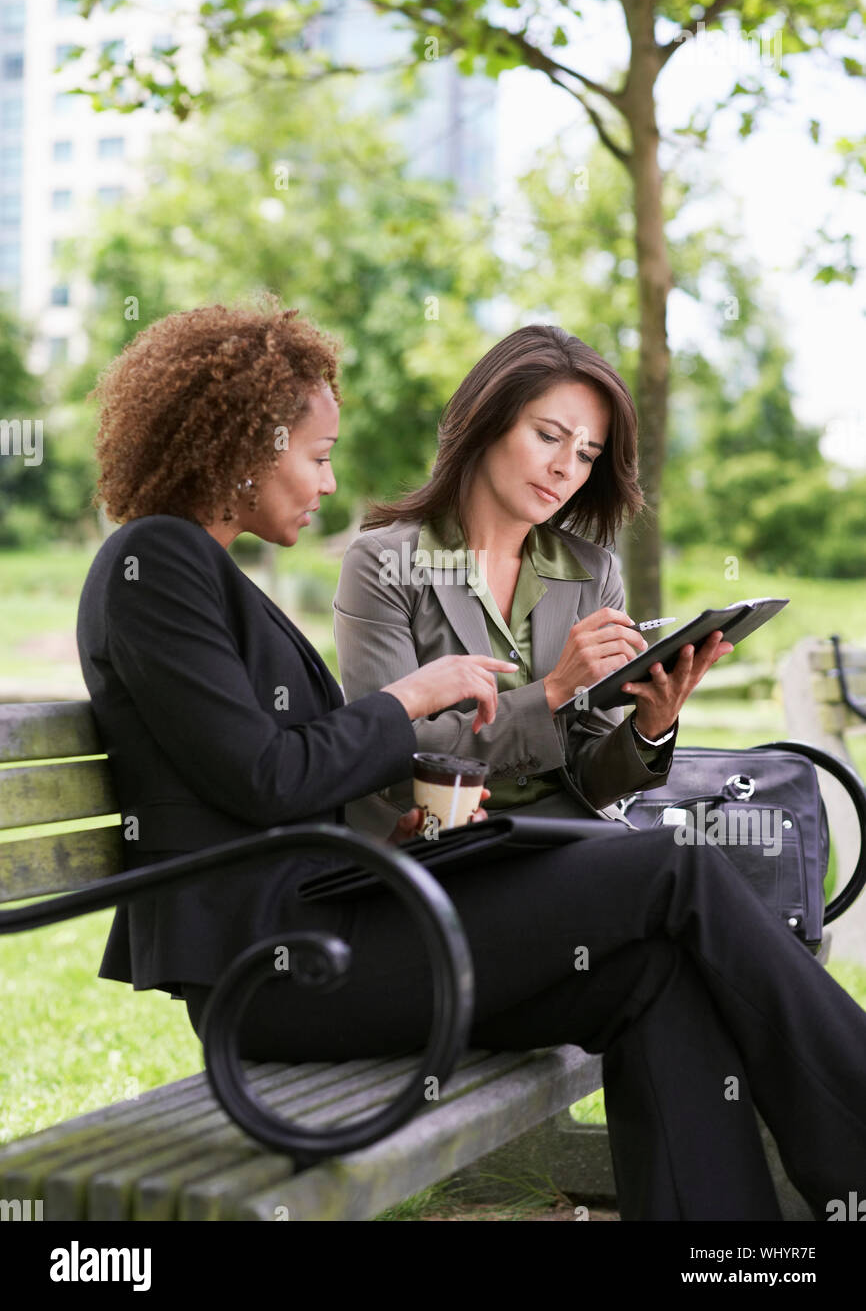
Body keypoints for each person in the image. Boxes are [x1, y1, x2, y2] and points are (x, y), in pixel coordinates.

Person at [76, 297, 866, 1221]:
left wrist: (410, 820)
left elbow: (274, 775)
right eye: (318, 456)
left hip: (335, 923)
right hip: (276, 969)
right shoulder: (156, 562)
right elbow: (264, 777)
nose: (331, 484)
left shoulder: (201, 572)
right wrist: (409, 699)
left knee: (660, 974)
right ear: (245, 444)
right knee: (676, 866)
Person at [334, 323, 731, 840]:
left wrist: (650, 727)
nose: (566, 468)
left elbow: (589, 778)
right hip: (436, 845)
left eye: (587, 455)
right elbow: (391, 763)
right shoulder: (383, 562)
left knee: (690, 857)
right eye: (548, 437)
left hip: (562, 836)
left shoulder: (595, 574)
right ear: (486, 422)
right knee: (682, 873)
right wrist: (551, 692)